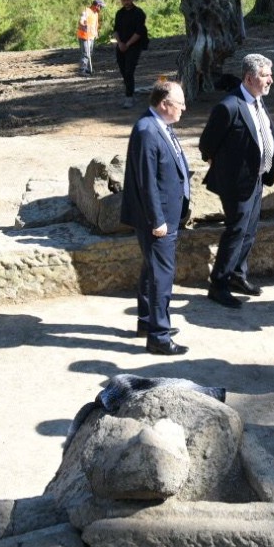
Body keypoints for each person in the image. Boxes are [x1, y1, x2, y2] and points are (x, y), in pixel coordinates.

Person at [199, 53, 274, 309]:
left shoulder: (257, 100)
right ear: (249, 77)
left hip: (256, 179)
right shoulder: (229, 106)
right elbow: (207, 144)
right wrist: (222, 168)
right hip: (236, 183)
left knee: (249, 230)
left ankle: (237, 275)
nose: (270, 81)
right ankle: (218, 284)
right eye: (266, 76)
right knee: (236, 231)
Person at [118, 80, 191, 355]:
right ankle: (159, 336)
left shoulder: (160, 126)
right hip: (157, 219)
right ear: (164, 104)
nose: (184, 108)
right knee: (162, 275)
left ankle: (148, 322)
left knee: (152, 269)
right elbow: (146, 181)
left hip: (165, 215)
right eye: (180, 103)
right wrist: (157, 220)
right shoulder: (147, 130)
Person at [111, 0, 149, 108]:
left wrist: (127, 44)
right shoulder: (119, 13)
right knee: (123, 70)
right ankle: (129, 89)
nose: (126, 2)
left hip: (134, 45)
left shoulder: (138, 13)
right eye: (124, 0)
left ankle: (129, 97)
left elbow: (139, 32)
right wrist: (120, 43)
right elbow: (115, 30)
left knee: (129, 71)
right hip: (121, 45)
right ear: (121, 1)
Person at [76, 0, 105, 77]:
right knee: (85, 53)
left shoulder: (95, 13)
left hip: (91, 36)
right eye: (101, 6)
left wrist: (96, 33)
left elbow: (94, 24)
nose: (101, 8)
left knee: (89, 53)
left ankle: (86, 68)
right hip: (84, 36)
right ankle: (82, 70)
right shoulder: (86, 11)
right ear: (97, 5)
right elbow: (81, 21)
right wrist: (84, 25)